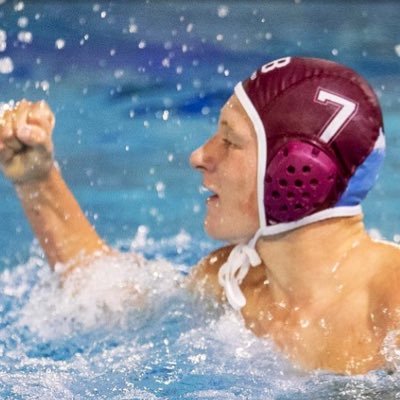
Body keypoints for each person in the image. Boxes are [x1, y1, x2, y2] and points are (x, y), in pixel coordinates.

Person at [0, 56, 399, 375]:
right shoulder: (231, 282)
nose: (200, 156)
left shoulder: (391, 304)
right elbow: (100, 293)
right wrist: (38, 181)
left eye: (230, 140)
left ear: (298, 169)